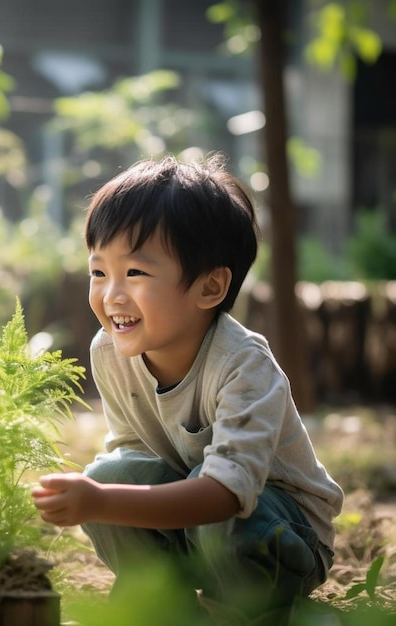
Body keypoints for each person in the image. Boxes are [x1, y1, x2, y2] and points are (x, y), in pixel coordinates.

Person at [32, 152, 344, 621]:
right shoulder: (109, 351)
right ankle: (159, 602)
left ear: (209, 288)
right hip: (195, 518)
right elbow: (136, 459)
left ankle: (245, 611)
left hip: (283, 532)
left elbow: (224, 494)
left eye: (135, 272)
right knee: (108, 473)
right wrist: (99, 495)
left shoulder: (243, 365)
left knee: (145, 499)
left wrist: (99, 502)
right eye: (100, 272)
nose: (112, 294)